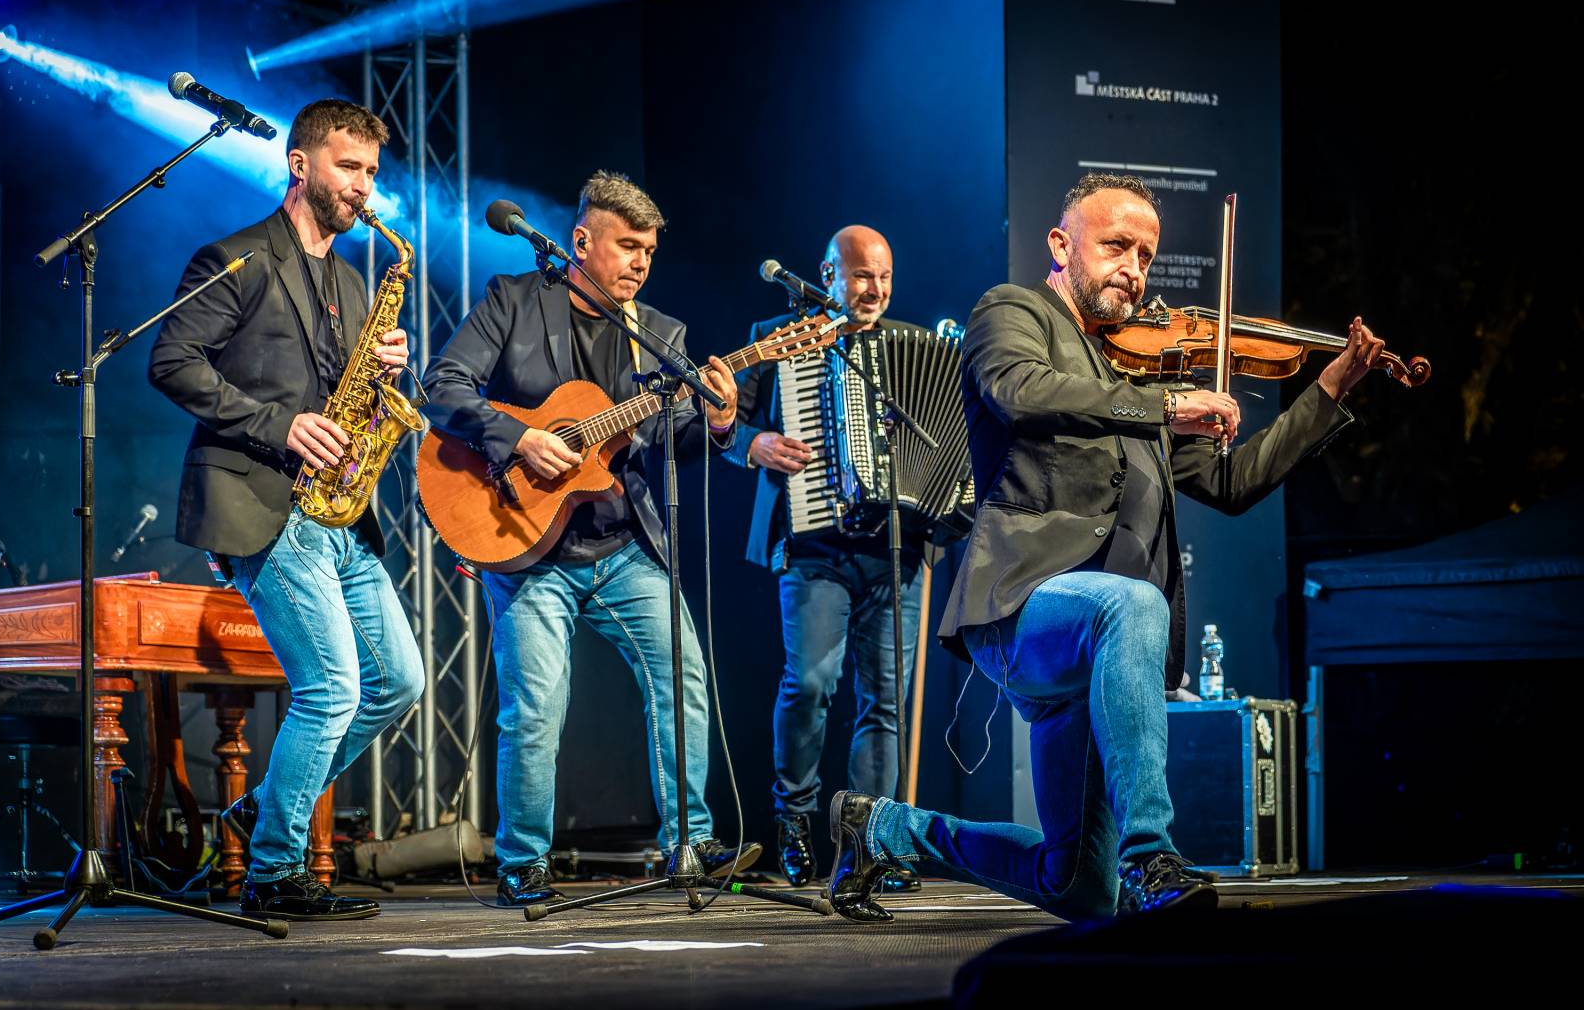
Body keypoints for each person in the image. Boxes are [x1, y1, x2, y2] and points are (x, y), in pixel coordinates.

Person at [825, 173, 1383, 921]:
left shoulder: (1133, 372)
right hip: (1021, 607)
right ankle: (1152, 855)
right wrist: (1164, 404)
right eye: (1117, 245)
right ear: (1061, 245)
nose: (1135, 268)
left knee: (1076, 886)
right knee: (1130, 601)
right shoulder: (1013, 313)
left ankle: (882, 828)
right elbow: (1018, 389)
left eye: (1147, 256)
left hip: (1098, 656)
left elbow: (1233, 479)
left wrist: (1329, 394)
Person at [421, 171, 758, 908]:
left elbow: (675, 437)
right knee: (536, 705)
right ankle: (523, 861)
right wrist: (520, 438)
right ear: (581, 241)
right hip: (524, 541)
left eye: (649, 251)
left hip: (622, 545)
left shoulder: (661, 339)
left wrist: (724, 421)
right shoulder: (514, 302)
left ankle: (689, 843)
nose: (640, 262)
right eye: (626, 246)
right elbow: (441, 387)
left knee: (684, 682)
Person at [149, 99, 425, 922]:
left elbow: (342, 401)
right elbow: (170, 359)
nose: (364, 186)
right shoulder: (235, 258)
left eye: (373, 172)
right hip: (263, 501)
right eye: (350, 167)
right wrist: (278, 424)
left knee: (399, 682)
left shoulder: (350, 279)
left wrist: (384, 372)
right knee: (334, 687)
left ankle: (262, 814)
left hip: (339, 513)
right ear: (300, 165)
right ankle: (272, 869)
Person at [724, 225, 924, 890]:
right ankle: (795, 821)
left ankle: (874, 843)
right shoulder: (779, 335)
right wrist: (755, 444)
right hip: (814, 547)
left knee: (886, 703)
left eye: (885, 277)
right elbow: (725, 420)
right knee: (810, 683)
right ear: (828, 273)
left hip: (893, 553)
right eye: (863, 275)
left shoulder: (906, 348)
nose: (875, 290)